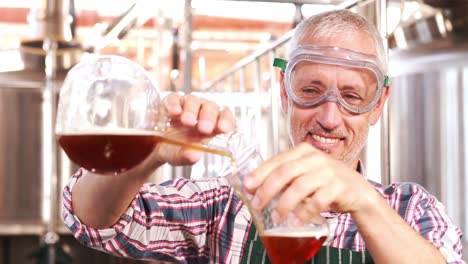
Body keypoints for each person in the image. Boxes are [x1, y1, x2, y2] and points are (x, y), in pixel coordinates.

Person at [62, 9, 464, 264]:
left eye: (353, 97)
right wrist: (146, 153)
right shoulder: (229, 204)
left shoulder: (411, 211)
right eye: (310, 90)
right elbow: (94, 223)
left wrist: (364, 201)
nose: (328, 116)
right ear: (283, 90)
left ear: (378, 105)